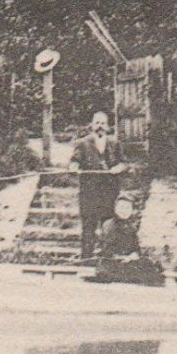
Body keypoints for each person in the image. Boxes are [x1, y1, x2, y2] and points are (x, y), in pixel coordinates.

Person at [70, 110, 126, 260]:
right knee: (88, 227)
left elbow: (122, 163)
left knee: (108, 227)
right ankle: (86, 259)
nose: (100, 126)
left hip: (109, 193)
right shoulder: (82, 143)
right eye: (97, 123)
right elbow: (74, 161)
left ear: (108, 126)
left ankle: (107, 261)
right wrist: (74, 167)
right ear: (92, 125)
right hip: (89, 193)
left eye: (103, 123)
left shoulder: (114, 143)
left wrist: (118, 168)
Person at [90, 195, 164, 286]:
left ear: (132, 211)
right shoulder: (109, 225)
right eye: (121, 207)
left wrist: (134, 255)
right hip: (112, 262)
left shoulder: (131, 227)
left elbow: (135, 248)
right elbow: (106, 249)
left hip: (128, 262)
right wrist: (121, 257)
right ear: (116, 209)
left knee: (150, 265)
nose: (124, 211)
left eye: (127, 208)